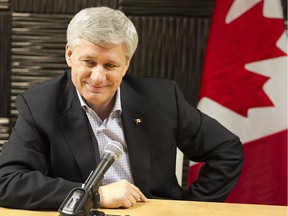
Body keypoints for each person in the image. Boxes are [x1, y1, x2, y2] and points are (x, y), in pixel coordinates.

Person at [0, 6, 243, 210]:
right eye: (89, 62)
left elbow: (226, 150)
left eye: (110, 65)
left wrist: (192, 209)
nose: (97, 77)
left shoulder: (162, 99)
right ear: (70, 54)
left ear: (125, 65)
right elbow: (7, 182)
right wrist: (94, 196)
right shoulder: (40, 104)